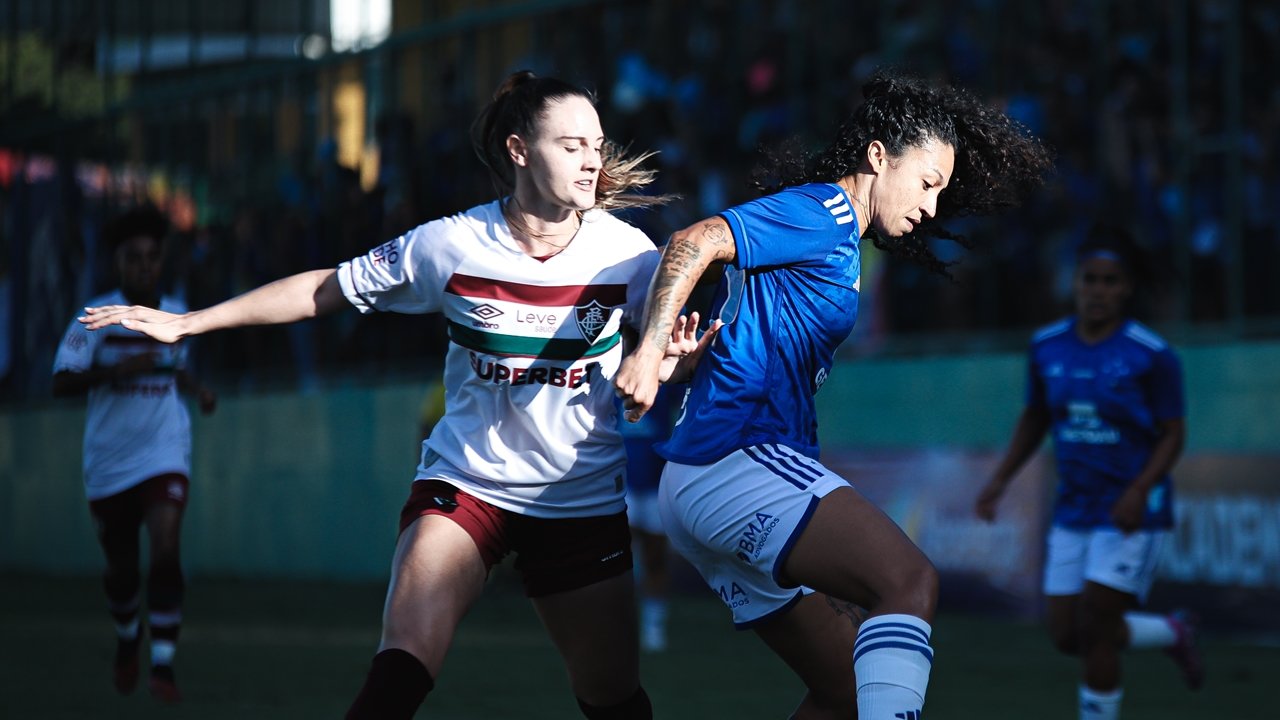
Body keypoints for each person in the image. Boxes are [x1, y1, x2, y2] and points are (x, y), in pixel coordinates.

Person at [80, 71, 713, 720]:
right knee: (404, 660)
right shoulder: (452, 245)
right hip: (469, 485)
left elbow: (664, 352)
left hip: (579, 499)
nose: (591, 160)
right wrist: (191, 321)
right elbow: (323, 290)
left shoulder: (629, 255)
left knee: (614, 700)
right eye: (572, 143)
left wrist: (677, 364)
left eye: (596, 144)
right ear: (519, 150)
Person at [614, 70, 1053, 720]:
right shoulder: (826, 211)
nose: (932, 208)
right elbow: (695, 239)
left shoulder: (836, 239)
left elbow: (744, 327)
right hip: (735, 459)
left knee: (844, 692)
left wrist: (679, 366)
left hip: (708, 476)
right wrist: (650, 352)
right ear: (879, 156)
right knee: (910, 582)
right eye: (929, 183)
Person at [974, 224, 1202, 720]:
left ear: (1126, 289)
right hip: (1072, 507)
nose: (1098, 290)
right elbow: (1036, 418)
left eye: (1109, 281)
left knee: (1099, 622)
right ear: (1074, 284)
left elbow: (1173, 433)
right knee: (1066, 634)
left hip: (1130, 510)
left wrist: (1141, 488)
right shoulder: (1046, 346)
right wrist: (1000, 479)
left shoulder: (1152, 354)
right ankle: (1173, 631)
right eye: (1089, 280)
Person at [52, 204, 217, 703]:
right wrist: (117, 372)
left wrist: (197, 389)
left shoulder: (176, 311)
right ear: (119, 264)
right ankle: (129, 638)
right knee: (122, 568)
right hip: (108, 461)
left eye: (151, 257)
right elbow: (61, 381)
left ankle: (163, 664)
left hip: (164, 449)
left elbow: (176, 369)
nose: (144, 267)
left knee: (166, 548)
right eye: (134, 258)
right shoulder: (94, 318)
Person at [617, 383, 678, 652]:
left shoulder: (664, 381)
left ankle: (653, 627)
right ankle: (615, 625)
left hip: (655, 483)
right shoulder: (611, 377)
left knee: (655, 558)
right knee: (614, 562)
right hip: (619, 483)